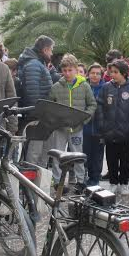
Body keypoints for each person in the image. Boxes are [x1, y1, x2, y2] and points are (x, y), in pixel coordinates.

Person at [48, 54, 96, 187]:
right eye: (65, 70)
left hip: (77, 128)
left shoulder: (84, 86)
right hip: (60, 128)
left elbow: (92, 104)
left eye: (70, 70)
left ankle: (80, 181)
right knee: (58, 155)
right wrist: (55, 120)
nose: (67, 73)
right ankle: (58, 182)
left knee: (78, 155)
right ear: (61, 71)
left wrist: (83, 120)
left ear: (76, 69)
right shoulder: (56, 87)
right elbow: (50, 106)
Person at [96, 60, 129, 195]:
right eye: (111, 72)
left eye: (116, 72)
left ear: (124, 73)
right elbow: (99, 106)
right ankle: (113, 182)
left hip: (126, 133)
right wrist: (103, 125)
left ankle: (124, 183)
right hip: (109, 131)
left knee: (125, 159)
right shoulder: (106, 87)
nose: (113, 75)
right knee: (111, 159)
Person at [17, 35, 59, 165]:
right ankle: (30, 182)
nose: (51, 53)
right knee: (35, 152)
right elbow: (32, 92)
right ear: (45, 49)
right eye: (51, 50)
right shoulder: (33, 64)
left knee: (42, 152)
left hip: (41, 115)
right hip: (37, 116)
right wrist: (38, 113)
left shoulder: (36, 63)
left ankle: (39, 182)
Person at [83, 63, 106, 186]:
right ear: (88, 74)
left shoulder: (106, 88)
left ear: (101, 75)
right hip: (84, 127)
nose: (95, 75)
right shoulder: (83, 86)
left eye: (98, 73)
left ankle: (95, 179)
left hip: (99, 128)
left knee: (97, 156)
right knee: (85, 155)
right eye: (93, 73)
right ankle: (83, 178)